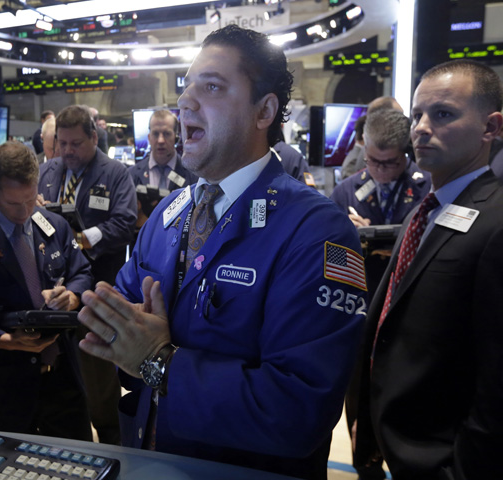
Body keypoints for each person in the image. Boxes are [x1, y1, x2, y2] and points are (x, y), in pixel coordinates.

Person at [76, 25, 367, 480]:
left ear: (264, 110)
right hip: (152, 459)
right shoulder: (169, 213)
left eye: (211, 87)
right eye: (186, 86)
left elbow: (297, 411)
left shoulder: (317, 232)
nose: (185, 102)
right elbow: (127, 320)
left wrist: (159, 361)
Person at [354, 59, 503, 479]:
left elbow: (496, 384)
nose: (420, 128)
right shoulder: (426, 211)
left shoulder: (496, 223)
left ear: (491, 127)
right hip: (394, 449)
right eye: (417, 114)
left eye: (443, 115)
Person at [0, 141, 93, 439]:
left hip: (63, 377)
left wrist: (73, 295)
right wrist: (7, 340)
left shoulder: (55, 225)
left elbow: (81, 271)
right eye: (14, 203)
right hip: (7, 384)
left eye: (30, 199)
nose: (25, 211)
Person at [331, 107, 431, 480]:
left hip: (410, 317)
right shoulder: (346, 191)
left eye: (390, 163)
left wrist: (381, 235)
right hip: (361, 311)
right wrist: (353, 239)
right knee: (359, 405)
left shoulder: (426, 189)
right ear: (362, 148)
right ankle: (365, 467)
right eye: (373, 161)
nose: (380, 171)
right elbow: (332, 261)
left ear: (405, 155)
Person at [38, 105, 137, 445]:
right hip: (53, 290)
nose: (67, 151)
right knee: (60, 376)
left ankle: (111, 438)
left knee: (98, 377)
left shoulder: (114, 173)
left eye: (76, 144)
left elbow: (125, 222)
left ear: (94, 138)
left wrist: (82, 237)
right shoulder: (48, 171)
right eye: (61, 143)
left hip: (97, 287)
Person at [129, 109, 198, 229]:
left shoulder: (193, 173)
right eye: (156, 134)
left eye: (166, 134)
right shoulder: (132, 174)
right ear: (149, 137)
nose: (160, 140)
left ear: (176, 138)